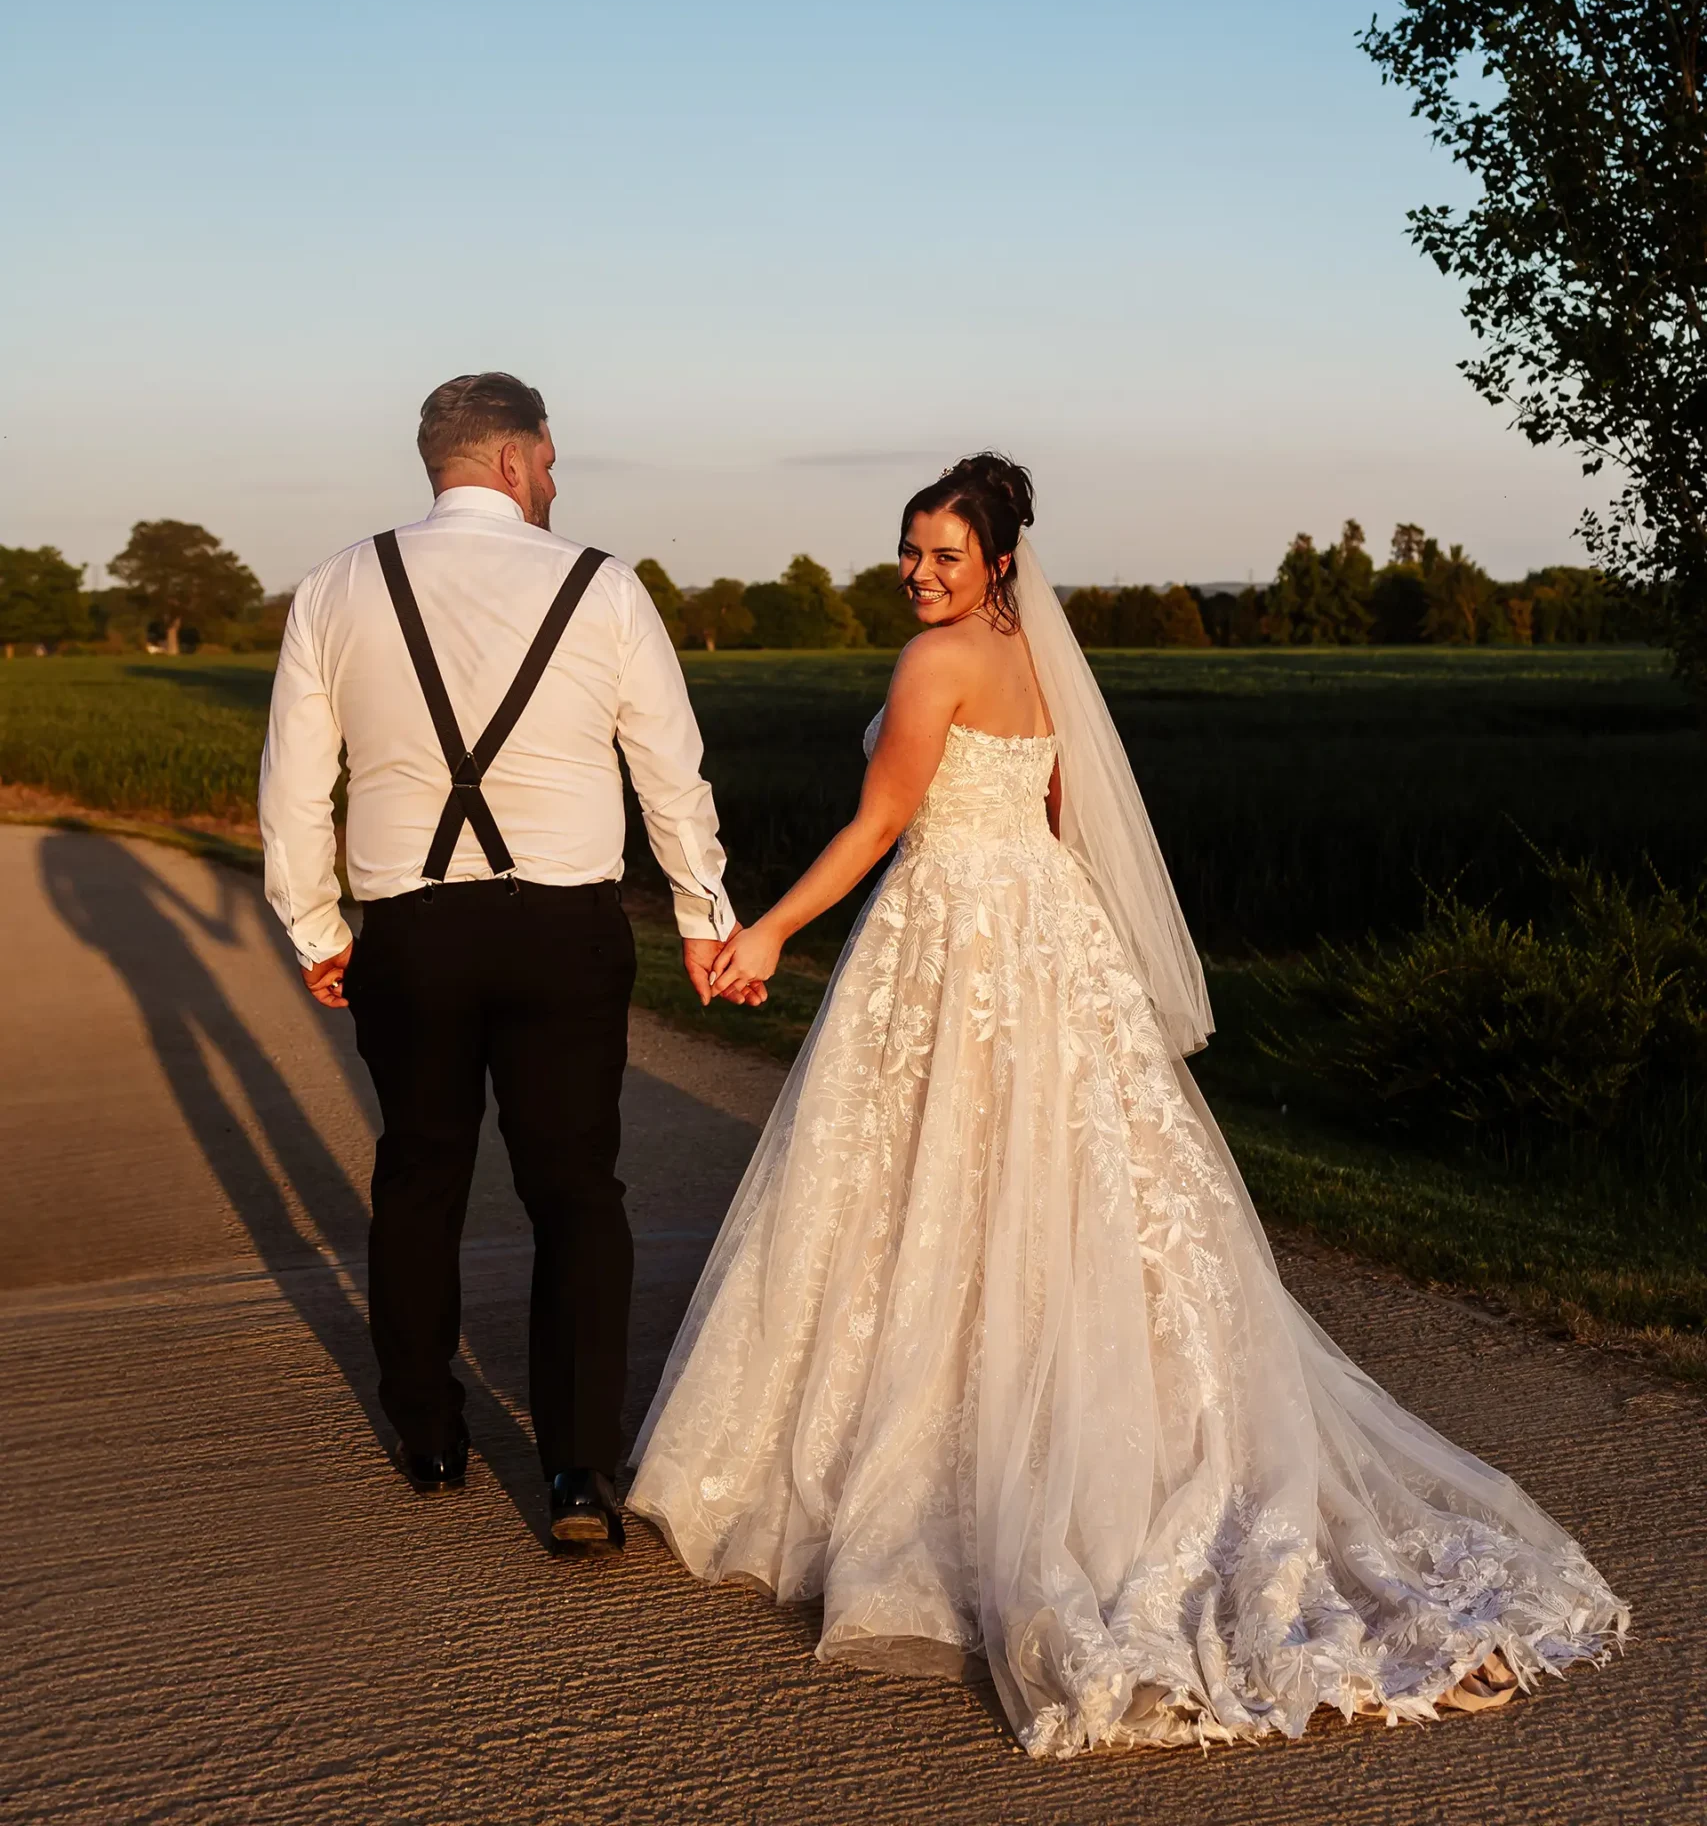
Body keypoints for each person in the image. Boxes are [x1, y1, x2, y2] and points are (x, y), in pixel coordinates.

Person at [628, 454, 1627, 1758]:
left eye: (942, 554)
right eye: (910, 550)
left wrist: (759, 934)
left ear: (995, 561)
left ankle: (967, 1440)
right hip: (1041, 934)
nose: (919, 573)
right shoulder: (1030, 652)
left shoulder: (934, 664)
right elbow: (1055, 812)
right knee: (1046, 1181)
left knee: (937, 1185)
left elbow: (881, 825)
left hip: (956, 937)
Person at [258, 371, 763, 1551]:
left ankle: (429, 1437)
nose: (555, 479)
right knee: (576, 1189)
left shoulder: (339, 585)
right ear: (513, 456)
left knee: (419, 1170)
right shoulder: (603, 586)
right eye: (549, 459)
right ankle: (580, 1474)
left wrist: (316, 927)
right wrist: (702, 910)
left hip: (414, 932)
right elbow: (669, 772)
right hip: (562, 931)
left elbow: (294, 783)